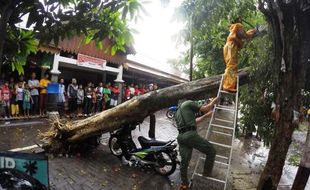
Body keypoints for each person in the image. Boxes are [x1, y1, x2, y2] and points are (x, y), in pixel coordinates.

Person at [176, 97, 219, 190]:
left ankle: (184, 184)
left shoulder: (177, 112)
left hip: (181, 137)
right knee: (211, 151)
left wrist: (206, 116)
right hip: (190, 135)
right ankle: (206, 173)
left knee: (184, 162)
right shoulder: (188, 103)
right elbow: (205, 108)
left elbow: (194, 122)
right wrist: (215, 100)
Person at [223, 17, 257, 92]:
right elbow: (243, 35)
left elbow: (242, 35)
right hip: (231, 46)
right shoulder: (238, 25)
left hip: (227, 46)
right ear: (238, 20)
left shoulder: (233, 28)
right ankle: (228, 86)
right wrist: (253, 31)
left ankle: (228, 84)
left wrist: (250, 32)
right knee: (232, 66)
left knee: (230, 65)